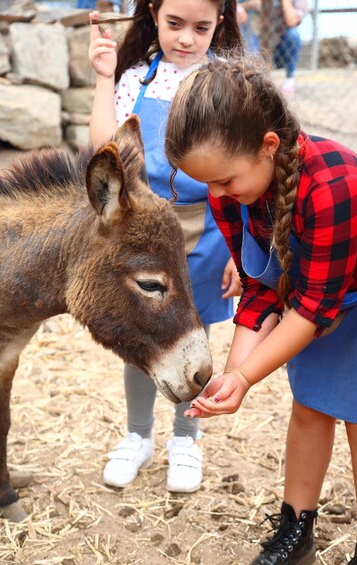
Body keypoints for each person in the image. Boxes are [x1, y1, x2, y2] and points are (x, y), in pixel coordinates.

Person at [164, 56, 357, 564]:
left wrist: (247, 378)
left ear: (269, 146)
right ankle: (295, 530)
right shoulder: (233, 191)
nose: (217, 196)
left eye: (224, 181)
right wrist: (233, 374)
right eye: (208, 184)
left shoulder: (334, 185)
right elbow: (262, 289)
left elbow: (312, 309)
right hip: (312, 300)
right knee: (309, 411)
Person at [88, 0, 243, 493]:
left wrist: (244, 254)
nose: (186, 39)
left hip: (210, 232)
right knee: (143, 340)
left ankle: (184, 438)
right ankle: (138, 436)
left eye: (201, 27)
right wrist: (103, 77)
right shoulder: (137, 79)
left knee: (192, 340)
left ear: (220, 21)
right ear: (153, 13)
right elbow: (104, 150)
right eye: (174, 24)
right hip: (147, 238)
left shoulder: (227, 83)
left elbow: (241, 173)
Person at [261, 0, 308, 96]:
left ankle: (289, 79)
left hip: (283, 44)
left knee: (293, 34)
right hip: (266, 37)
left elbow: (291, 22)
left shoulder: (300, 2)